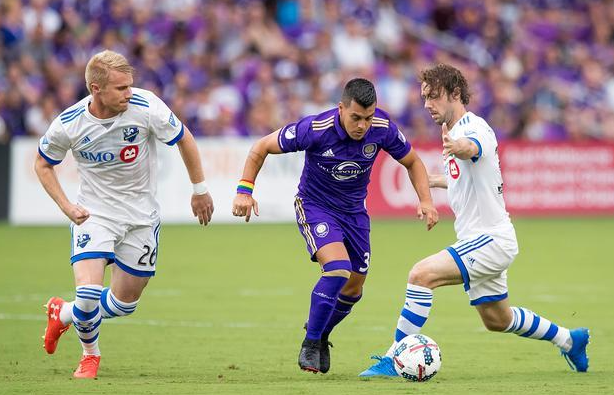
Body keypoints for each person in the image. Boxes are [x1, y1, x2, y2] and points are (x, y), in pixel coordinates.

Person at [359, 63, 590, 377]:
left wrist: (461, 147)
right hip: (486, 239)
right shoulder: (453, 132)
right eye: (424, 97)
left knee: (420, 275)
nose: (427, 104)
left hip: (490, 239)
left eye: (434, 96)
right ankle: (569, 339)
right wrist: (426, 183)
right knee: (498, 319)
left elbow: (474, 147)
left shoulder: (472, 127)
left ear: (455, 94)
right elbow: (459, 178)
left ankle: (392, 360)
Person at [232, 78, 438, 374]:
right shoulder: (315, 129)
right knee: (338, 269)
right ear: (341, 108)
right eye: (356, 117)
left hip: (354, 213)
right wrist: (244, 190)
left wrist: (426, 201)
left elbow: (413, 161)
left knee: (355, 287)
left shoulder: (382, 128)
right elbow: (260, 147)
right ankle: (311, 342)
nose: (362, 126)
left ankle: (322, 332)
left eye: (368, 118)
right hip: (316, 207)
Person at [35, 50, 214, 379]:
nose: (128, 93)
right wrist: (66, 206)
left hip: (141, 218)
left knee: (124, 303)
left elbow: (184, 139)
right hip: (94, 215)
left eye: (130, 85)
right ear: (95, 88)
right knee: (88, 295)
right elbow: (43, 163)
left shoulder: (147, 107)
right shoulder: (69, 123)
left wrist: (199, 189)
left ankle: (62, 313)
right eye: (120, 88)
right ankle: (90, 355)